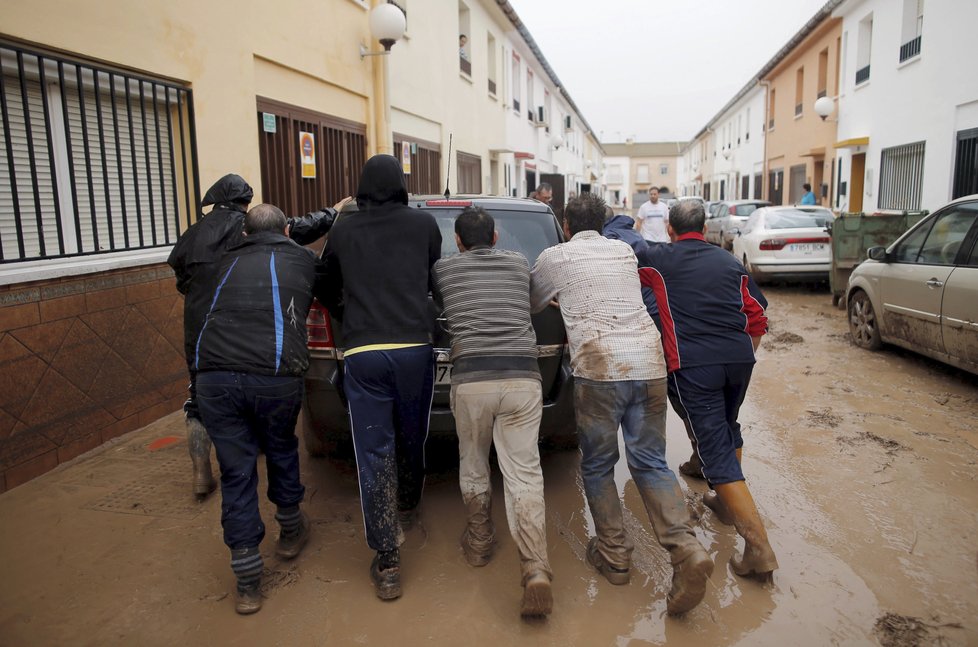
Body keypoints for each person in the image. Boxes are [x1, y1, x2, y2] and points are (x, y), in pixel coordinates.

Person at [529, 194, 713, 616]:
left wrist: (563, 301)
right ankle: (686, 550)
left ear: (567, 225)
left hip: (598, 367)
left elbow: (533, 301)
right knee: (650, 463)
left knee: (596, 465)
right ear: (606, 221)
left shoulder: (556, 255)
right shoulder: (623, 251)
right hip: (649, 364)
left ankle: (614, 556)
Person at [167, 174, 348, 501]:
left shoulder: (192, 234)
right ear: (244, 203)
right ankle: (279, 494)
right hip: (249, 330)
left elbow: (181, 277)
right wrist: (333, 212)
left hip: (200, 327)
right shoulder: (248, 228)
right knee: (257, 388)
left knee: (199, 394)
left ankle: (201, 470)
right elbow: (299, 227)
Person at [636, 200, 779, 583]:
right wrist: (744, 357)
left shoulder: (656, 259)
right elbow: (758, 316)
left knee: (714, 446)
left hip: (694, 365)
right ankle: (726, 503)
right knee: (727, 426)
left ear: (669, 228)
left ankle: (759, 548)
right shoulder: (730, 262)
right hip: (739, 360)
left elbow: (625, 261)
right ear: (704, 224)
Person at [194, 203, 326, 614]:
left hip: (213, 377)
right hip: (274, 374)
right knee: (281, 447)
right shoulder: (303, 258)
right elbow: (330, 297)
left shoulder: (220, 261)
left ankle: (247, 577)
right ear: (287, 230)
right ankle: (289, 531)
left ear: (246, 234)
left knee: (236, 468)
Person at [320, 154, 442, 601]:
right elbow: (430, 275)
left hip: (364, 353)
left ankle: (388, 560)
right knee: (413, 434)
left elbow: (325, 279)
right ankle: (408, 504)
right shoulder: (423, 225)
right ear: (401, 184)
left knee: (373, 451)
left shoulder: (344, 228)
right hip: (414, 349)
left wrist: (346, 313)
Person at [432, 207, 553, 619]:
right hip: (523, 377)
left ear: (459, 242)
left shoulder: (445, 270)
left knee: (473, 460)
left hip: (472, 380)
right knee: (524, 471)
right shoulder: (519, 263)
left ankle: (480, 542)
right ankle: (535, 565)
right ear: (497, 237)